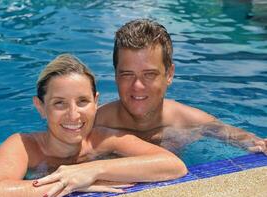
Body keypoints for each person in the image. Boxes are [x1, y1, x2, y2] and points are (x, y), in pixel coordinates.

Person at [0, 54, 187, 197]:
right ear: (40, 107)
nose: (73, 114)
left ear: (96, 102)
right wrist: (71, 184)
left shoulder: (104, 141)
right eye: (59, 103)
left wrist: (92, 170)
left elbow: (174, 165)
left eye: (83, 101)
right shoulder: (24, 146)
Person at [95, 18, 267, 154]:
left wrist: (257, 143)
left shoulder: (191, 122)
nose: (137, 86)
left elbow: (245, 139)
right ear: (116, 75)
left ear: (169, 75)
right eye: (127, 74)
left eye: (149, 74)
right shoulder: (93, 123)